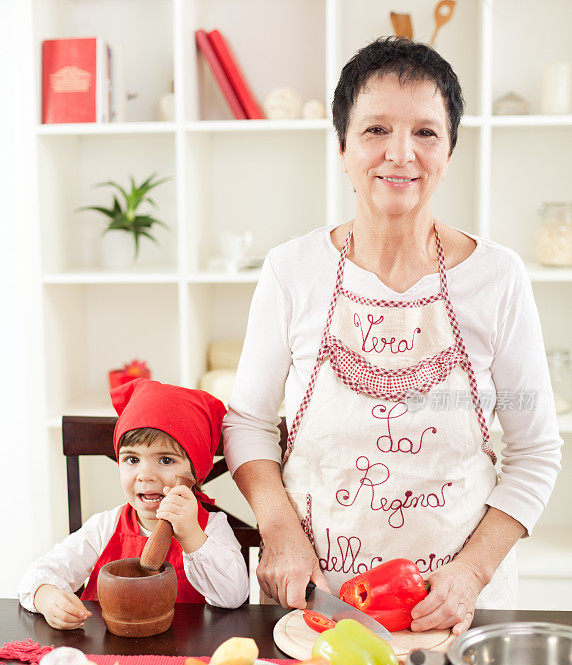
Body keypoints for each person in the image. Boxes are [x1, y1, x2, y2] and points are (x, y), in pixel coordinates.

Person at [223, 37, 562, 634]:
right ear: (343, 148)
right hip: (319, 596)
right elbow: (247, 421)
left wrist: (473, 572)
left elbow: (535, 450)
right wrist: (278, 531)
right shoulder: (290, 271)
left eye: (426, 133)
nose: (400, 154)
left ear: (450, 149)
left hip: (459, 608)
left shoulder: (497, 276)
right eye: (376, 129)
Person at [19, 379, 249, 629]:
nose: (145, 475)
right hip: (108, 652)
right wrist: (47, 597)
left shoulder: (210, 529)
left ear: (194, 472)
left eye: (165, 460)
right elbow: (38, 574)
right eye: (131, 459)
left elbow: (233, 596)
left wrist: (192, 535)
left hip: (184, 654)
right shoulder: (104, 527)